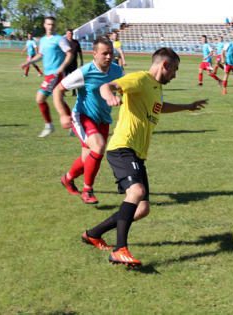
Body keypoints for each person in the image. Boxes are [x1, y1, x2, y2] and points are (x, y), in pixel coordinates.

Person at [82, 48, 207, 267]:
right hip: (123, 147)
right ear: (164, 65)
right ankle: (119, 250)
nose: (175, 75)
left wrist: (187, 107)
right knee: (136, 192)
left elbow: (158, 108)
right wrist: (110, 95)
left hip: (137, 153)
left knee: (141, 208)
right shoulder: (140, 79)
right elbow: (106, 86)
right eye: (174, 70)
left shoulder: (156, 88)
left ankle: (93, 234)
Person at [53, 37, 124, 204]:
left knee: (88, 160)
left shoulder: (117, 71)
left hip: (104, 119)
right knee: (98, 147)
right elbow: (58, 90)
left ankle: (67, 178)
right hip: (84, 117)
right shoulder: (84, 72)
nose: (108, 57)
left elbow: (123, 90)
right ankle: (87, 190)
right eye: (104, 53)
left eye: (111, 53)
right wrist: (63, 114)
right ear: (94, 53)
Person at [20, 16, 73, 137]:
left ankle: (49, 125)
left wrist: (62, 68)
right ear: (44, 25)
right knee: (59, 100)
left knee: (40, 98)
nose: (50, 27)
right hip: (48, 74)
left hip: (56, 74)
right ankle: (74, 124)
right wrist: (28, 62)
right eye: (48, 24)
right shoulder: (43, 40)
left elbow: (69, 54)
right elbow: (40, 55)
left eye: (53, 25)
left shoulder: (60, 39)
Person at [65, 29, 84, 96]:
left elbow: (80, 52)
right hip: (65, 63)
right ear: (66, 34)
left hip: (74, 63)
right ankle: (63, 92)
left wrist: (81, 61)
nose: (70, 35)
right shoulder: (64, 42)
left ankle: (74, 92)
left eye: (71, 33)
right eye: (68, 33)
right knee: (64, 77)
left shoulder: (76, 42)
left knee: (73, 78)